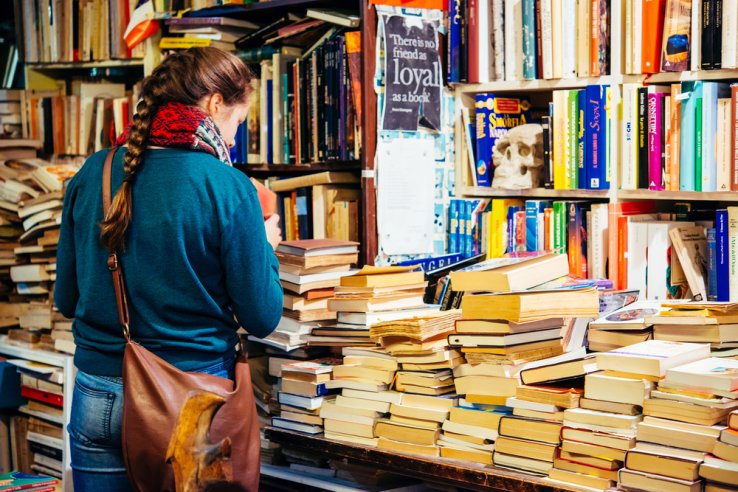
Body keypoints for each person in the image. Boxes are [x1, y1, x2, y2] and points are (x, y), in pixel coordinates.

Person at [55, 47, 283, 491]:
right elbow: (262, 316)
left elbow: (67, 298)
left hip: (98, 393)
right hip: (190, 402)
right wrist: (267, 247)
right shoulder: (227, 187)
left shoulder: (93, 174)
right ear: (215, 104)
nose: (234, 139)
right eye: (237, 122)